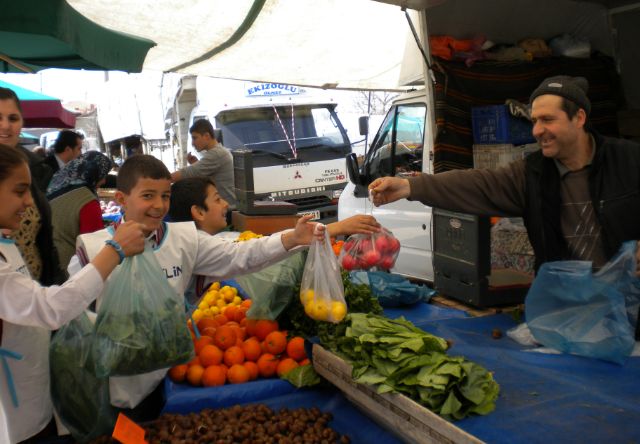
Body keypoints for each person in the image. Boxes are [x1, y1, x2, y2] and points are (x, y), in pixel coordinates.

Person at [67, 155, 325, 419]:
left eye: (165, 196)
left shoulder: (185, 240)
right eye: (148, 196)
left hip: (171, 376)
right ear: (121, 199)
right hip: (114, 385)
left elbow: (241, 255)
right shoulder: (92, 248)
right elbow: (71, 314)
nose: (159, 205)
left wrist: (292, 238)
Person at [369, 75, 640, 282]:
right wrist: (408, 185)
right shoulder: (532, 174)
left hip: (630, 302)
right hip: (569, 307)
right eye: (534, 120)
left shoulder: (629, 160)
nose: (537, 130)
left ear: (579, 117)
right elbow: (476, 184)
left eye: (548, 120)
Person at [0, 143, 146, 444]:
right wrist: (114, 251)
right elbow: (49, 308)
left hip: (34, 389)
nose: (30, 201)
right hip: (13, 410)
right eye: (19, 191)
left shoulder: (6, 240)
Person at [168, 176, 381, 302]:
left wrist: (298, 238)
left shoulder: (191, 240)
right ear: (199, 212)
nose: (225, 204)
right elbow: (247, 253)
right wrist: (330, 229)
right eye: (217, 200)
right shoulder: (194, 245)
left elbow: (247, 248)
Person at [0, 87, 65, 286]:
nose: (5, 126)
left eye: (13, 118)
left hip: (37, 291)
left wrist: (58, 285)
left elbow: (45, 238)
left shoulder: (36, 169)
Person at [46, 151, 113, 271]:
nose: (103, 181)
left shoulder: (55, 186)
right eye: (103, 175)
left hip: (49, 262)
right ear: (92, 173)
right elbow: (93, 246)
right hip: (70, 269)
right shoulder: (87, 201)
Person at [170, 119, 236, 223]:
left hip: (226, 213)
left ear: (206, 136)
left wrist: (163, 179)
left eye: (195, 138)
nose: (192, 143)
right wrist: (195, 163)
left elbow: (189, 172)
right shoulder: (218, 151)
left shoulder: (216, 153)